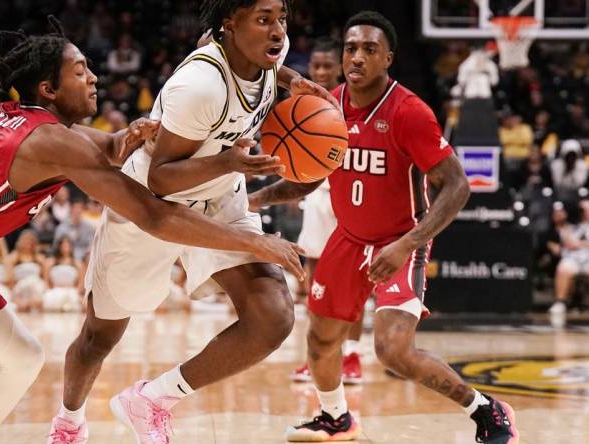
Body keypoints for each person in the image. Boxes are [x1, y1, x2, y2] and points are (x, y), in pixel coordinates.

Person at [0, 17, 304, 444]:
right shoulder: (52, 142)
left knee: (21, 356)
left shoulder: (36, 123)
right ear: (49, 89)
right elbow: (152, 214)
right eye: (80, 71)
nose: (94, 79)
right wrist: (254, 241)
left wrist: (129, 136)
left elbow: (104, 149)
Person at [48, 1, 335, 443]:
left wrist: (295, 82)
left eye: (281, 18)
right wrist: (228, 162)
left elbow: (259, 66)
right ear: (230, 24)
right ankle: (68, 423)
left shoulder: (268, 51)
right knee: (99, 337)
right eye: (264, 20)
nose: (278, 30)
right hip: (150, 199)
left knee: (272, 316)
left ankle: (152, 400)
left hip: (219, 188)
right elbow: (162, 179)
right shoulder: (199, 86)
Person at [248, 11, 518, 443]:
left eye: (369, 50)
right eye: (350, 48)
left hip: (400, 240)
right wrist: (257, 197)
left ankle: (486, 410)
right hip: (348, 238)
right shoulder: (329, 105)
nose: (356, 57)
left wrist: (405, 245)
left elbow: (458, 186)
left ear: (387, 58)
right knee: (320, 340)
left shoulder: (410, 112)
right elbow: (313, 173)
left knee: (392, 350)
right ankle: (335, 417)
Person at [287, 37, 363, 386]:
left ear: (340, 67)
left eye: (326, 66)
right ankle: (316, 358)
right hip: (317, 196)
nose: (319, 72)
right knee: (315, 281)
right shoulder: (302, 103)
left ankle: (352, 356)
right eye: (314, 66)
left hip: (350, 199)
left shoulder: (354, 101)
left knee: (352, 284)